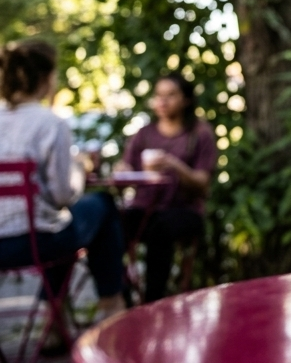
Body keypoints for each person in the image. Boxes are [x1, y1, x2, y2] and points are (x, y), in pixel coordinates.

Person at [0, 39, 126, 344]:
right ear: (45, 78)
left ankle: (53, 323)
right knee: (102, 205)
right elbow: (62, 196)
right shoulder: (50, 123)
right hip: (33, 242)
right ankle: (112, 305)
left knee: (62, 227)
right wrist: (80, 166)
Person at [118, 73, 215, 301]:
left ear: (186, 100)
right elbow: (126, 168)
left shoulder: (199, 134)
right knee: (111, 226)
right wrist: (121, 170)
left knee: (160, 229)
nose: (162, 101)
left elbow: (203, 183)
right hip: (144, 207)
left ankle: (153, 302)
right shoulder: (144, 134)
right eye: (158, 95)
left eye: (171, 95)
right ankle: (121, 300)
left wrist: (175, 165)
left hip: (184, 210)